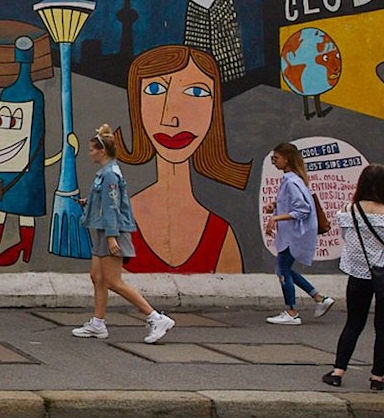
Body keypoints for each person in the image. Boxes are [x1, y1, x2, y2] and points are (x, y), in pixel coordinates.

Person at [115, 45, 250, 273]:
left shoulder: (220, 234)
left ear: (214, 109)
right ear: (135, 104)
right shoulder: (123, 217)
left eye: (196, 92)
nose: (171, 118)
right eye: (155, 89)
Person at [72, 125, 176, 343]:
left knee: (113, 281)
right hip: (103, 229)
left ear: (102, 151)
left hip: (112, 231)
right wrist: (89, 203)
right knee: (97, 276)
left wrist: (111, 236)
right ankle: (98, 324)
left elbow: (113, 206)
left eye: (92, 149)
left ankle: (155, 318)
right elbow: (106, 203)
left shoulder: (110, 174)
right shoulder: (105, 173)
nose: (89, 153)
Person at [323, 164, 384, 392]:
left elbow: (347, 238)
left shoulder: (348, 212)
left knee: (353, 323)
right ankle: (377, 378)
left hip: (358, 274)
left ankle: (337, 372)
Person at [263, 142, 336, 325]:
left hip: (293, 235)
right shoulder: (293, 179)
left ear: (286, 159)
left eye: (276, 158)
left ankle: (292, 311)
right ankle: (319, 298)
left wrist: (276, 218)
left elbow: (303, 209)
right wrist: (275, 205)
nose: (274, 162)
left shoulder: (291, 182)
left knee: (282, 270)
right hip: (293, 234)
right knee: (284, 269)